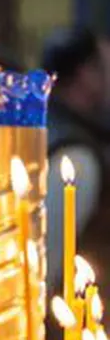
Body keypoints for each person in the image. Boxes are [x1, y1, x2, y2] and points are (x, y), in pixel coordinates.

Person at [42, 26, 110, 295]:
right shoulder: (74, 156)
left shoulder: (54, 131)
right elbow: (48, 261)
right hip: (71, 323)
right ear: (86, 75)